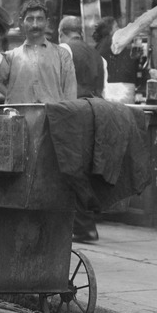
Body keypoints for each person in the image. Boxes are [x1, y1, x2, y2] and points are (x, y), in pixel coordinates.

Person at [56, 16, 109, 242]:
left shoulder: (63, 49)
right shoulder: (99, 56)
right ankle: (83, 224)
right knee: (84, 168)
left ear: (62, 33)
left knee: (69, 168)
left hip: (71, 113)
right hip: (95, 113)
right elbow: (103, 91)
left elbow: (57, 83)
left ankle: (83, 226)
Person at [0, 0, 77, 104]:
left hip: (52, 119)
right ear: (21, 22)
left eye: (40, 19)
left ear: (47, 22)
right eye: (30, 19)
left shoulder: (62, 55)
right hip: (19, 119)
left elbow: (71, 96)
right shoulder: (11, 57)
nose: (35, 25)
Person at [95, 0, 157, 103]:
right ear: (111, 31)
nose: (120, 29)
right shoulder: (116, 38)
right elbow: (141, 22)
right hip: (119, 98)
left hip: (107, 98)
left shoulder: (99, 47)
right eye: (117, 27)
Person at [58, 16, 106, 99]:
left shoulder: (63, 49)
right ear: (81, 33)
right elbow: (104, 91)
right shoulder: (100, 58)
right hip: (94, 109)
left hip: (71, 108)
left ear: (60, 34)